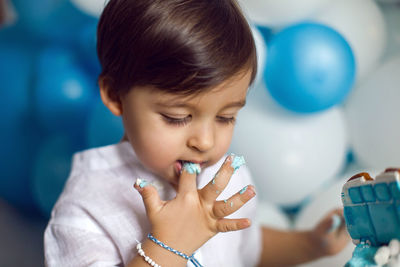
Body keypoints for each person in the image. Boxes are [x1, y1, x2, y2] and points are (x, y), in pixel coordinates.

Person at [44, 0, 350, 266]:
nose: (205, 142)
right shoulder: (84, 212)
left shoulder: (222, 176)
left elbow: (244, 249)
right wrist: (170, 247)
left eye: (226, 117)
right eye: (176, 117)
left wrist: (310, 245)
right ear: (114, 95)